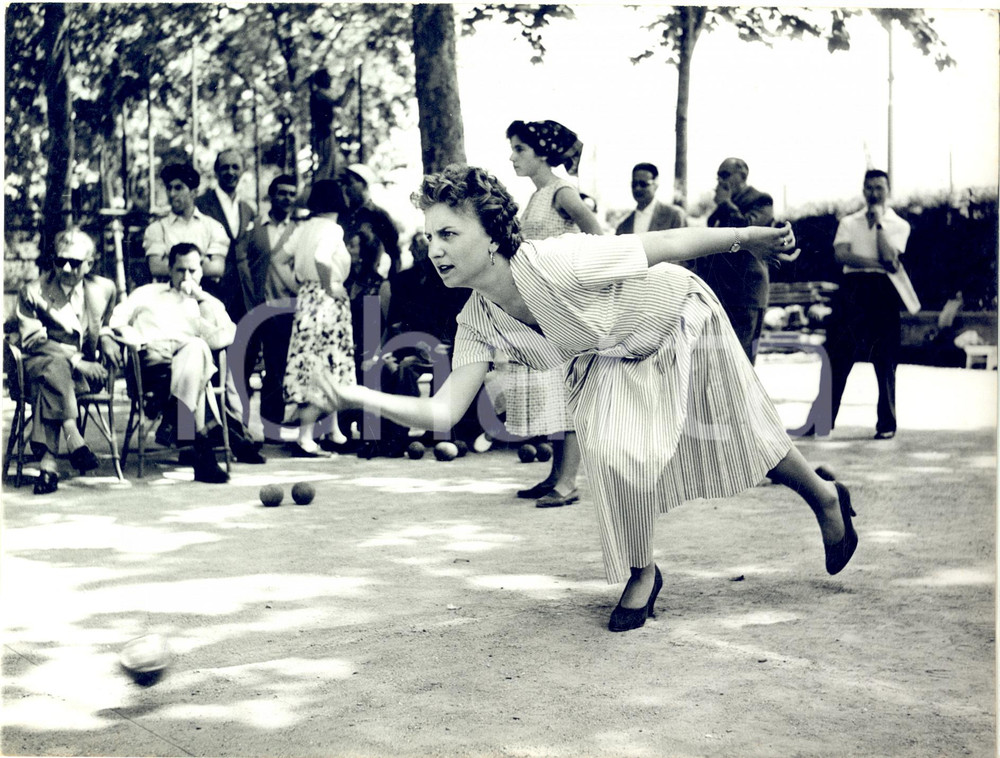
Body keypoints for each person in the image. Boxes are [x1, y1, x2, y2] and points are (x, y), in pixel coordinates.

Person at [312, 164, 857, 633]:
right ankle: (643, 571)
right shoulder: (476, 318)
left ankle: (825, 499)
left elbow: (663, 246)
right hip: (610, 354)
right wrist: (358, 396)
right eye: (430, 236)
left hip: (677, 315)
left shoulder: (556, 260)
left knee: (743, 428)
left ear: (493, 234)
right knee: (619, 451)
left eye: (449, 234)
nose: (434, 249)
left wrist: (748, 237)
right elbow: (444, 411)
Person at [504, 119, 603, 508]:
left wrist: (573, 278)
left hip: (565, 302)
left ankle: (569, 482)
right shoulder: (537, 195)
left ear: (542, 154)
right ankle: (555, 475)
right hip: (541, 304)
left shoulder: (563, 191)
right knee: (554, 391)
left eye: (519, 149)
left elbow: (597, 235)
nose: (512, 157)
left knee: (570, 391)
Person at [792, 169, 912, 440]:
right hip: (854, 291)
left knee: (885, 358)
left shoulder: (899, 224)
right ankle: (822, 420)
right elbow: (842, 256)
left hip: (883, 292)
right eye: (869, 187)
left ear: (888, 190)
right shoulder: (848, 222)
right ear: (863, 190)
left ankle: (887, 423)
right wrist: (877, 263)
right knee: (838, 354)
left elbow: (891, 258)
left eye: (879, 188)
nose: (873, 193)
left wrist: (879, 225)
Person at [109, 243, 233, 483]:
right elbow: (117, 320)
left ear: (201, 270)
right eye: (180, 270)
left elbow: (225, 337)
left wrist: (202, 300)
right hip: (152, 362)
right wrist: (135, 339)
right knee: (197, 367)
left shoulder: (204, 303)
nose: (186, 276)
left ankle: (181, 424)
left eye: (193, 271)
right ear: (169, 268)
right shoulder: (147, 293)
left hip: (187, 364)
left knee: (197, 348)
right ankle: (198, 442)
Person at [16, 229, 120, 495]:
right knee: (55, 367)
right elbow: (33, 340)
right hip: (34, 366)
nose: (65, 267)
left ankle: (49, 465)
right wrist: (76, 360)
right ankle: (73, 436)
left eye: (74, 262)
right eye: (59, 260)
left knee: (51, 382)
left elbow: (105, 324)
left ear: (90, 264)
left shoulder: (104, 289)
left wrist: (107, 337)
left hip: (76, 379)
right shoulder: (33, 291)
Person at [358, 230, 474, 458]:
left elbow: (457, 318)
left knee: (409, 367)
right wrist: (384, 352)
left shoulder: (448, 279)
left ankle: (412, 437)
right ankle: (382, 438)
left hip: (444, 345)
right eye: (417, 245)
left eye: (425, 244)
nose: (420, 250)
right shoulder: (403, 280)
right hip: (408, 346)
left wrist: (443, 344)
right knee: (385, 367)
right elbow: (395, 322)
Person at [282, 179, 355, 457]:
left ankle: (333, 430)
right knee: (322, 363)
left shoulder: (304, 228)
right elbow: (322, 258)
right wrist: (328, 287)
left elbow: (279, 260)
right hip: (326, 302)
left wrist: (300, 285)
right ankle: (306, 438)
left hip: (307, 301)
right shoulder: (333, 229)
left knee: (325, 361)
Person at [231, 174, 300, 440]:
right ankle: (241, 428)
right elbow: (242, 262)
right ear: (272, 195)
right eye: (282, 192)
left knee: (276, 368)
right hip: (252, 306)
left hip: (284, 310)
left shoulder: (298, 231)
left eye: (292, 194)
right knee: (244, 366)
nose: (287, 198)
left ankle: (272, 428)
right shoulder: (255, 226)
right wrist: (250, 298)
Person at [695, 157, 775, 363]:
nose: (720, 180)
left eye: (725, 174)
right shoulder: (723, 207)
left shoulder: (760, 200)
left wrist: (726, 204)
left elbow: (748, 230)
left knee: (741, 361)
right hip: (720, 293)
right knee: (719, 362)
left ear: (743, 175)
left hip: (745, 293)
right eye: (718, 176)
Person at [195, 148, 257, 322]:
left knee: (246, 346)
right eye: (225, 167)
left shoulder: (248, 209)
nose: (230, 172)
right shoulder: (201, 205)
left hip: (244, 292)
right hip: (214, 290)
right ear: (216, 172)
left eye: (235, 167)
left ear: (243, 171)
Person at [143, 162, 228, 282]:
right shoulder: (157, 229)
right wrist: (202, 261)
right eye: (169, 188)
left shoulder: (213, 227)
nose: (172, 194)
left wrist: (173, 264)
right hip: (167, 296)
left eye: (178, 188)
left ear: (194, 192)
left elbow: (217, 269)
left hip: (204, 295)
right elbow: (156, 267)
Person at [340, 163, 402, 277]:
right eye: (344, 184)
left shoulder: (378, 216)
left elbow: (395, 254)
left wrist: (392, 285)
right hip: (344, 285)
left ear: (363, 184)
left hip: (370, 287)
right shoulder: (342, 215)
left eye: (350, 183)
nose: (345, 188)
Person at [615, 162, 686, 236]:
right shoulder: (623, 226)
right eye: (634, 184)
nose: (637, 188)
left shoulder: (674, 216)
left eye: (643, 184)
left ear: (655, 185)